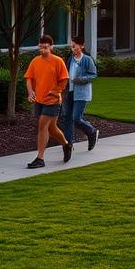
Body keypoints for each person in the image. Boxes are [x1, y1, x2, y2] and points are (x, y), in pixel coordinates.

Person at [24, 35, 72, 169]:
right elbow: (29, 78)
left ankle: (40, 158)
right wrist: (30, 92)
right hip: (39, 100)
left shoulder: (58, 61)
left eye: (45, 47)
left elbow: (64, 79)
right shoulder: (35, 61)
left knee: (42, 126)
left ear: (51, 47)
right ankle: (66, 145)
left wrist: (56, 91)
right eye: (41, 47)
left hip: (53, 101)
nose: (43, 50)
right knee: (52, 128)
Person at [59, 35, 100, 151]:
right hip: (69, 92)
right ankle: (68, 144)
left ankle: (91, 131)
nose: (73, 48)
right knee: (67, 118)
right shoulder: (70, 59)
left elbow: (93, 75)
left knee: (76, 118)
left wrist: (80, 79)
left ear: (81, 46)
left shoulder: (87, 59)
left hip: (81, 93)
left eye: (74, 46)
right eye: (71, 46)